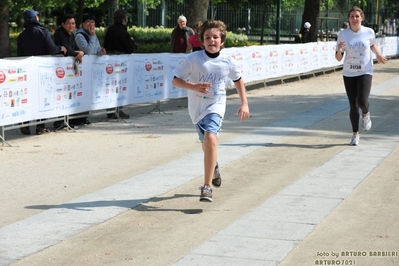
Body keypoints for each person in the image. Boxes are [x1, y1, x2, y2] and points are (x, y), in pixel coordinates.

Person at [172, 19, 250, 202]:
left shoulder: (227, 61)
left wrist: (244, 103)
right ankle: (213, 165)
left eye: (215, 37)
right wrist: (193, 86)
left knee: (210, 138)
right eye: (207, 37)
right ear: (202, 40)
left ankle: (206, 187)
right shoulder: (193, 59)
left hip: (216, 105)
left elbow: (238, 80)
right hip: (196, 109)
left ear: (222, 41)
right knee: (206, 143)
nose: (212, 40)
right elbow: (176, 80)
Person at [335, 6, 387, 146]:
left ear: (362, 18)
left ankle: (366, 113)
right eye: (352, 16)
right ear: (348, 19)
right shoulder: (343, 34)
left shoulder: (369, 32)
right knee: (353, 105)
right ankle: (355, 134)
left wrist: (378, 54)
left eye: (357, 16)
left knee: (362, 101)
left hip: (365, 71)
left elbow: (372, 45)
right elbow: (339, 58)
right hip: (349, 73)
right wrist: (339, 50)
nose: (354, 18)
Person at [17, 9, 67, 135]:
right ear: (35, 18)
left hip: (28, 71)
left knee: (28, 98)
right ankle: (40, 127)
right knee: (43, 98)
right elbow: (52, 49)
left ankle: (25, 123)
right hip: (42, 71)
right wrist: (61, 48)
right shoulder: (43, 32)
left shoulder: (21, 36)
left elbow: (19, 55)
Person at [53, 14, 90, 129]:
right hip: (60, 70)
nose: (71, 26)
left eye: (73, 23)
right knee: (61, 95)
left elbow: (73, 49)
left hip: (70, 70)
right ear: (63, 24)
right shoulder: (60, 34)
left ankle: (76, 119)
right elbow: (67, 50)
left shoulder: (72, 34)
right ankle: (60, 122)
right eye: (68, 23)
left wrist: (81, 53)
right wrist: (78, 54)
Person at [103, 9, 134, 119]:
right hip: (120, 62)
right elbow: (129, 48)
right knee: (119, 86)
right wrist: (131, 41)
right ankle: (117, 110)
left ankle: (110, 110)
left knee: (110, 86)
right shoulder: (123, 32)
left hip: (109, 62)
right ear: (123, 19)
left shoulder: (109, 30)